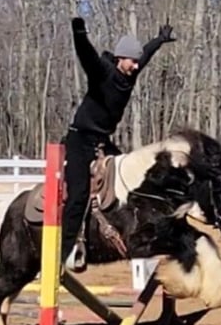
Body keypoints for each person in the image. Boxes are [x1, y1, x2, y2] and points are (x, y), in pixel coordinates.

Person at [60, 16, 176, 272]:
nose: (136, 66)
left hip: (102, 141)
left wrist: (159, 40)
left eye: (136, 62)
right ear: (120, 58)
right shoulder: (103, 72)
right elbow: (86, 55)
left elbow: (144, 55)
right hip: (80, 139)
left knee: (128, 178)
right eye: (131, 61)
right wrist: (79, 34)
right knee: (78, 195)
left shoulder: (130, 75)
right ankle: (65, 251)